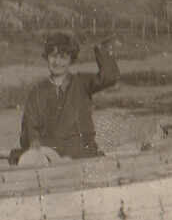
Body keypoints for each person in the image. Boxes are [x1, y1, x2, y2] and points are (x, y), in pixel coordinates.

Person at [15, 33, 119, 165]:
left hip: (81, 152)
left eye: (63, 57)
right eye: (53, 56)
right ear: (47, 58)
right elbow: (29, 124)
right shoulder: (37, 91)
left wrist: (102, 50)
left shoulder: (82, 83)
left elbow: (110, 77)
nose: (57, 62)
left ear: (71, 59)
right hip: (51, 153)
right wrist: (34, 143)